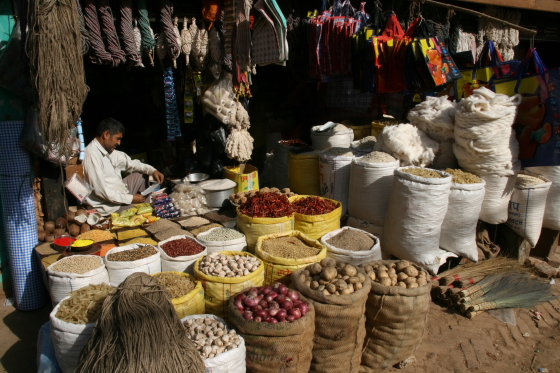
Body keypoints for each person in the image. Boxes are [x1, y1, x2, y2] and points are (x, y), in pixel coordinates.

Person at [83, 118, 165, 216]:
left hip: (119, 193)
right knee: (148, 208)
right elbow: (101, 192)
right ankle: (143, 204)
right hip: (109, 206)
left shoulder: (108, 151)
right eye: (118, 138)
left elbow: (132, 164)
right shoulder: (91, 155)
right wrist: (131, 198)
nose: (119, 143)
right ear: (106, 134)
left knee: (140, 176)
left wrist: (153, 171)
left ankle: (143, 201)